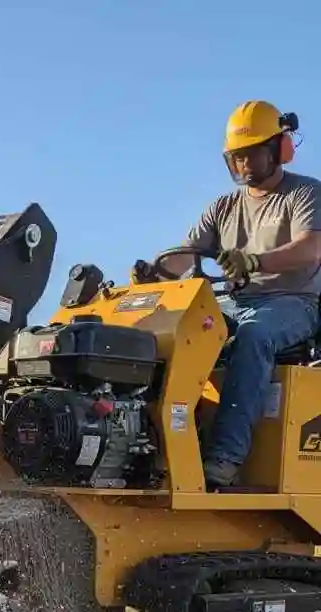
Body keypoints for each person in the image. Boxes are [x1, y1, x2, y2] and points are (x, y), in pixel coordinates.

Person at [142, 100, 321, 488]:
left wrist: (254, 262)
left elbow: (311, 248)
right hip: (233, 303)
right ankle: (157, 447)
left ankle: (225, 457)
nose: (243, 166)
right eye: (236, 158)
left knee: (253, 336)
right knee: (179, 331)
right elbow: (184, 256)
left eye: (252, 156)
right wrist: (151, 273)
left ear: (280, 149)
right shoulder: (222, 207)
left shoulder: (305, 194)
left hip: (293, 303)